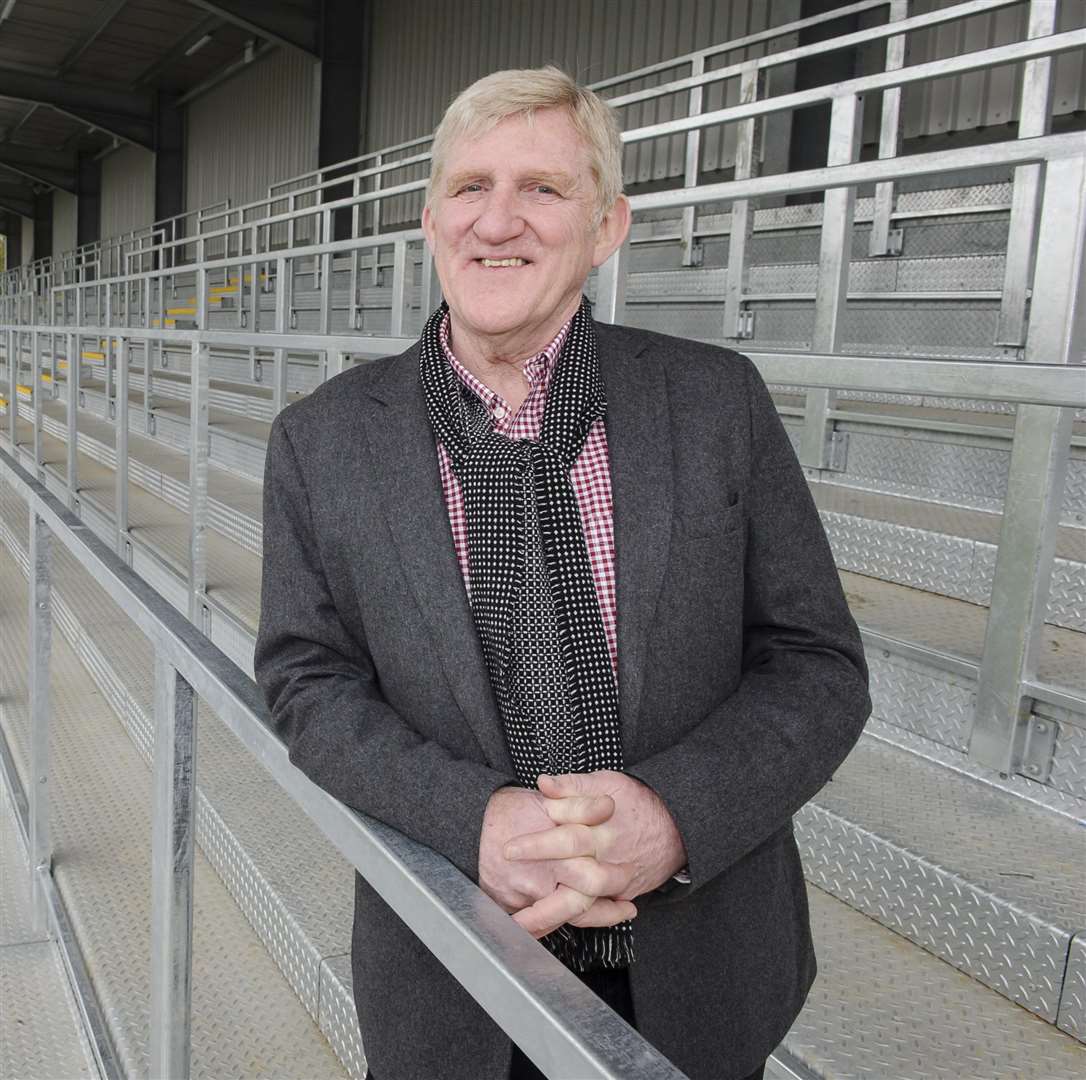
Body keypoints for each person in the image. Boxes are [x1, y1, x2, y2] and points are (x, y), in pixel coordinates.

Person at [255, 66, 870, 1080]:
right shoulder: (323, 442)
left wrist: (675, 816)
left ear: (607, 226)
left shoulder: (716, 403)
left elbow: (816, 664)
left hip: (696, 965)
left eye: (542, 189)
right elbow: (305, 681)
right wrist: (474, 822)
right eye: (469, 187)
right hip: (450, 970)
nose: (498, 221)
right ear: (429, 219)